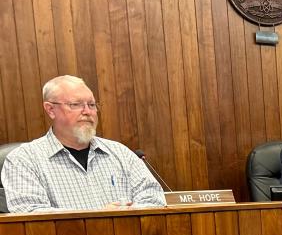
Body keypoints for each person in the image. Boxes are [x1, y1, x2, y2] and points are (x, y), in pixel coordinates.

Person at [1, 75, 165, 212]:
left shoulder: (120, 153)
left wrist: (127, 215)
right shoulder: (24, 160)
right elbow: (31, 213)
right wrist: (98, 218)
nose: (87, 112)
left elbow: (154, 198)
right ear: (50, 109)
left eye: (92, 105)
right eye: (76, 104)